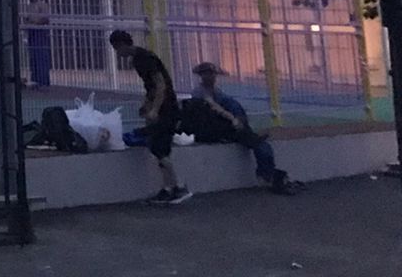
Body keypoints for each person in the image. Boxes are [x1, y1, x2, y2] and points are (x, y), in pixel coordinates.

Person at [185, 62, 295, 194]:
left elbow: (225, 106)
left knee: (260, 143)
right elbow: (214, 107)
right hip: (212, 129)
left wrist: (236, 118)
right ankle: (265, 172)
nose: (212, 77)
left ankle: (265, 171)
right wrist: (233, 118)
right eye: (208, 74)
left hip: (222, 125)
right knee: (257, 142)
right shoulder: (200, 92)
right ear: (202, 75)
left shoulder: (215, 91)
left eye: (213, 74)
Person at [109, 30, 191, 205]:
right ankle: (169, 187)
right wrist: (147, 104)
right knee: (159, 148)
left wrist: (154, 109)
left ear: (122, 45)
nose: (117, 53)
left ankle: (177, 186)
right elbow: (152, 87)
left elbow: (160, 84)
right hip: (164, 106)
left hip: (166, 108)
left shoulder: (144, 59)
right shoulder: (139, 59)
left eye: (116, 48)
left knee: (159, 147)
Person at [24, 0, 53, 88]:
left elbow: (46, 19)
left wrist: (35, 23)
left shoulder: (42, 5)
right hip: (31, 33)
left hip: (40, 33)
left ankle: (43, 81)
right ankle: (35, 80)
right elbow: (27, 19)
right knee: (33, 57)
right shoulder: (28, 7)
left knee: (41, 56)